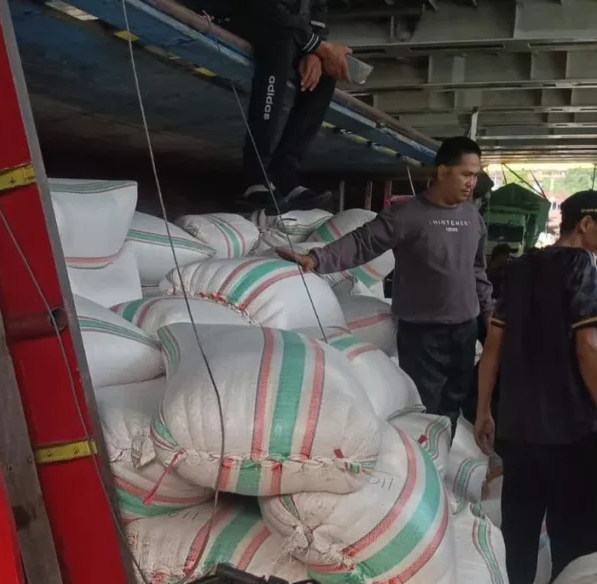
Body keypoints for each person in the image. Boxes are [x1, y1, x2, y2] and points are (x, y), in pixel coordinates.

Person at [474, 189, 597, 584]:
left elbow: (493, 345)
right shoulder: (579, 266)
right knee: (572, 533)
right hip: (567, 430)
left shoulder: (522, 265)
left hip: (518, 428)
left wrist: (485, 409)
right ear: (584, 223)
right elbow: (589, 349)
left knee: (519, 531)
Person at [278, 136, 492, 428]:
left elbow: (478, 271)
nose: (471, 182)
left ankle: (444, 455)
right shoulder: (407, 215)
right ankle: (426, 458)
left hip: (465, 327)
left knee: (455, 400)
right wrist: (317, 259)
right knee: (425, 405)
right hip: (422, 330)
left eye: (475, 175)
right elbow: (364, 242)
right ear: (442, 171)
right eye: (466, 174)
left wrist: (489, 314)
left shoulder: (473, 218)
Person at [196, 0, 352, 212]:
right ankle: (255, 175)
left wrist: (314, 53)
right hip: (239, 17)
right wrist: (317, 46)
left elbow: (318, 9)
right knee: (282, 43)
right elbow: (266, 8)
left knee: (324, 73)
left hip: (288, 30)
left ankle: (283, 174)